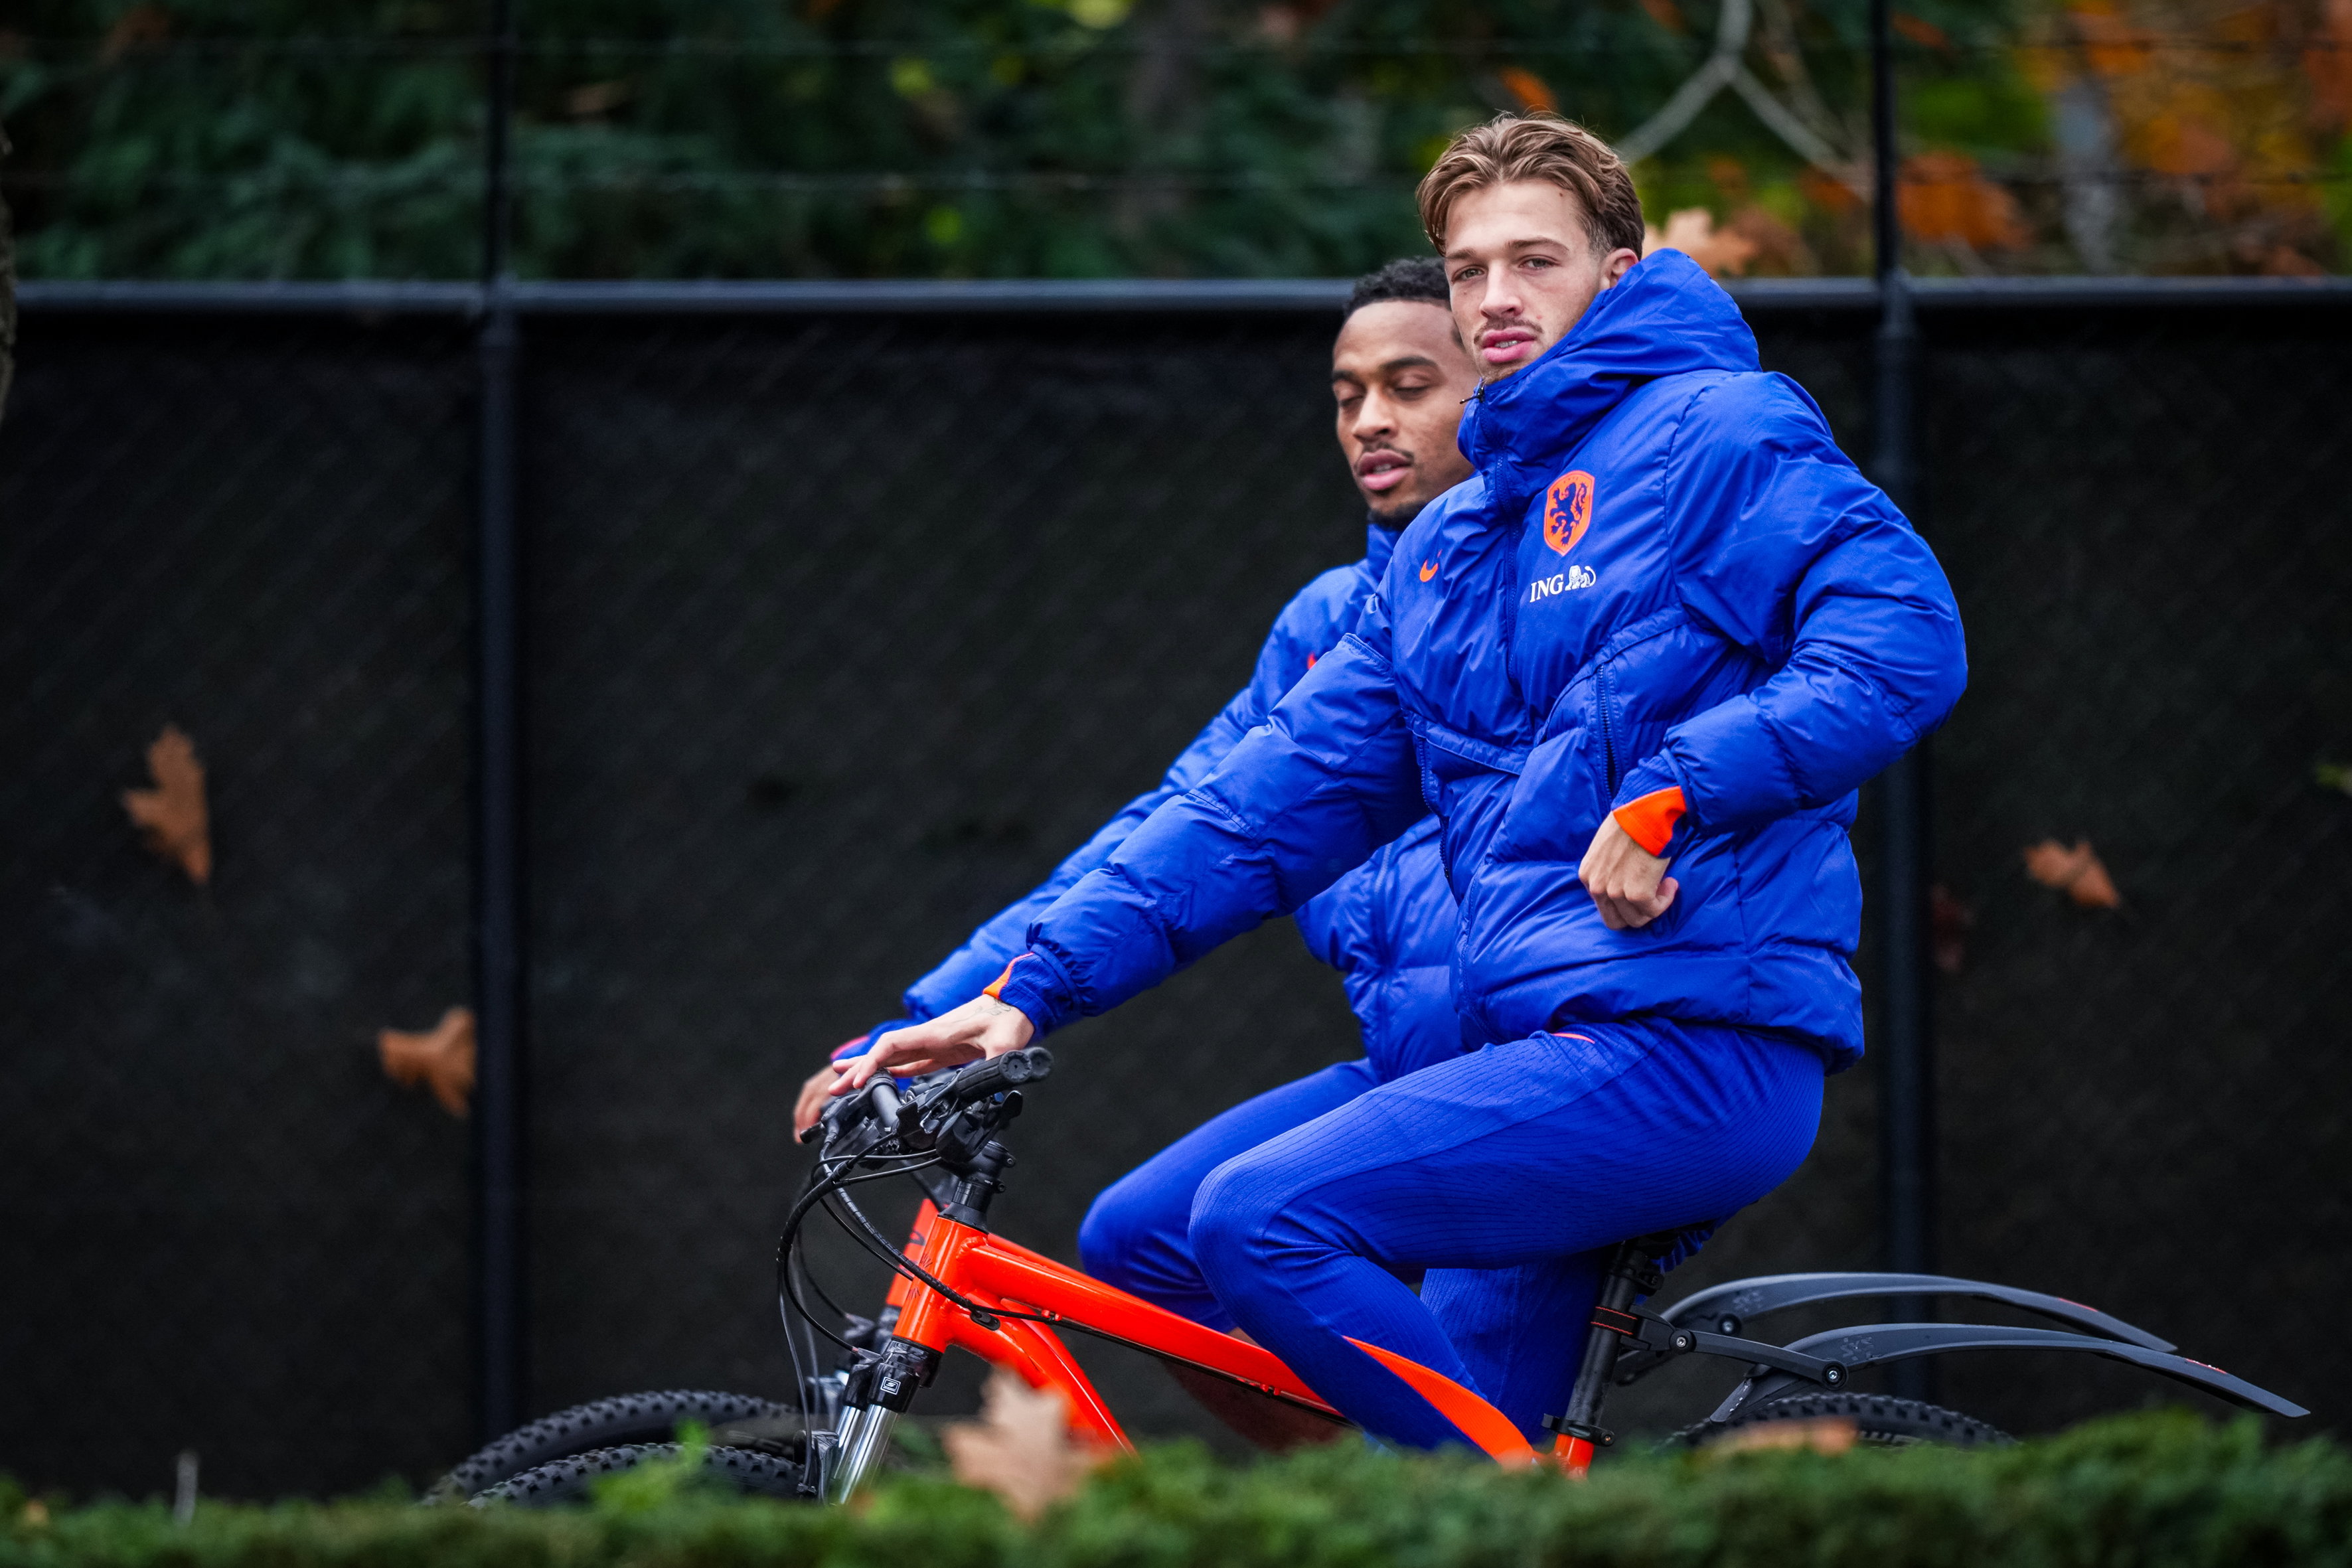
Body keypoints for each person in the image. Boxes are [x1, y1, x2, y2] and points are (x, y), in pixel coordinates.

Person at [839, 113, 1969, 1452]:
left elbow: (1903, 641)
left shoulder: (1720, 428)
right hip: (1530, 1048)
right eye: (1468, 268)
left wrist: (1674, 790)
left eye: (1533, 260)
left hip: (1689, 1040)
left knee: (1262, 1215)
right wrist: (1022, 990)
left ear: (1616, 274)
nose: (1495, 296)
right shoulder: (1449, 548)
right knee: (1348, 1374)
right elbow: (1253, 808)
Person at [796, 260, 1480, 1369]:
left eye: (1409, 386)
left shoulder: (1550, 592)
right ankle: (1348, 1479)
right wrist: (945, 1006)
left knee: (1461, 1397)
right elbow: (1173, 824)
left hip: (1536, 1076)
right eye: (1347, 394)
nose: (1369, 421)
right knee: (1138, 1242)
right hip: (1407, 1068)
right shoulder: (1327, 627)